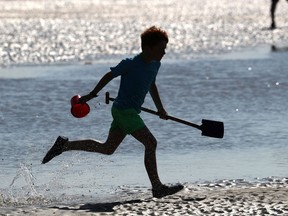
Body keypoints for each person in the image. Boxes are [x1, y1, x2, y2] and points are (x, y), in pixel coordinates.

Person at [42, 26, 184, 198]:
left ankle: (64, 145)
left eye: (165, 49)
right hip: (124, 112)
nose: (164, 52)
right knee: (151, 143)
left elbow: (151, 84)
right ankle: (157, 187)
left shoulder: (155, 64)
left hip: (126, 112)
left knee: (108, 148)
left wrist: (160, 108)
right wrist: (92, 94)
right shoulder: (130, 64)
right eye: (161, 48)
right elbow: (109, 75)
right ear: (147, 48)